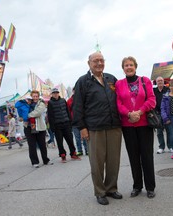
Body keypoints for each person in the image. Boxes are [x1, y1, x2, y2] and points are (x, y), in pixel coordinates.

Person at [73, 52, 122, 205]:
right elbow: (77, 106)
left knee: (113, 161)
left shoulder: (111, 79)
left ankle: (111, 188)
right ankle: (100, 192)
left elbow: (121, 98)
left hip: (114, 126)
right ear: (89, 63)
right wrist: (82, 127)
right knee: (97, 162)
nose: (99, 63)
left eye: (101, 60)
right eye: (95, 61)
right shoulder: (83, 81)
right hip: (94, 128)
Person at [115, 56, 156, 199]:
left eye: (131, 65)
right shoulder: (119, 84)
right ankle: (137, 186)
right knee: (133, 157)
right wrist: (128, 114)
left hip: (144, 124)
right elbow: (118, 103)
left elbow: (152, 99)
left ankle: (150, 187)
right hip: (128, 125)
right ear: (123, 68)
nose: (128, 67)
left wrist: (140, 112)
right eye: (126, 65)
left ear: (135, 66)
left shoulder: (145, 81)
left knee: (147, 156)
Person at [47, 88, 81, 163]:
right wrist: (52, 127)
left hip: (66, 123)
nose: (55, 94)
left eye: (57, 93)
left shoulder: (63, 100)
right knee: (59, 142)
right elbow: (50, 116)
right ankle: (63, 155)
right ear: (52, 94)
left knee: (70, 140)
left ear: (58, 93)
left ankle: (73, 153)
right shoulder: (50, 103)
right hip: (57, 125)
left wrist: (70, 122)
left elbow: (68, 111)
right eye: (54, 93)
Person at [25, 90, 53, 168]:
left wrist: (27, 115)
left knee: (42, 145)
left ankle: (46, 160)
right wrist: (22, 116)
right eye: (34, 96)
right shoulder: (27, 104)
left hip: (40, 127)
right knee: (32, 146)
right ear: (31, 96)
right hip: (29, 127)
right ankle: (34, 162)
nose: (35, 98)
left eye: (36, 96)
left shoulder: (41, 103)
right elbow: (20, 114)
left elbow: (38, 112)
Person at [153, 76, 172, 154]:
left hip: (167, 114)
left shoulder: (168, 90)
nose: (160, 82)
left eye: (161, 80)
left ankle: (170, 146)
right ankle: (161, 147)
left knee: (169, 131)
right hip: (158, 114)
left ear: (164, 82)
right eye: (158, 81)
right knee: (159, 132)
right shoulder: (153, 91)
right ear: (156, 82)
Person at [67, 88, 88, 156]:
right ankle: (79, 150)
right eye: (75, 90)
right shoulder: (69, 100)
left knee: (85, 136)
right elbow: (68, 111)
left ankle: (87, 150)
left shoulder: (83, 98)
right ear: (73, 91)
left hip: (83, 121)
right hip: (74, 122)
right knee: (77, 137)